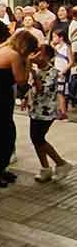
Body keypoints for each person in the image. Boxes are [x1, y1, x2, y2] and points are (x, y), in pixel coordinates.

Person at [0, 30, 38, 187]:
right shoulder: (14, 55)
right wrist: (28, 63)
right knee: (4, 136)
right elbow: (21, 80)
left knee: (3, 135)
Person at [27, 44, 72, 182]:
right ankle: (45, 168)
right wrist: (25, 98)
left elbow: (41, 90)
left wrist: (33, 74)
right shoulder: (35, 70)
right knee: (36, 140)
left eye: (39, 54)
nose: (35, 56)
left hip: (46, 112)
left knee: (38, 138)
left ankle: (61, 163)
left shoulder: (53, 72)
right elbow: (32, 88)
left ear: (46, 57)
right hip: (34, 110)